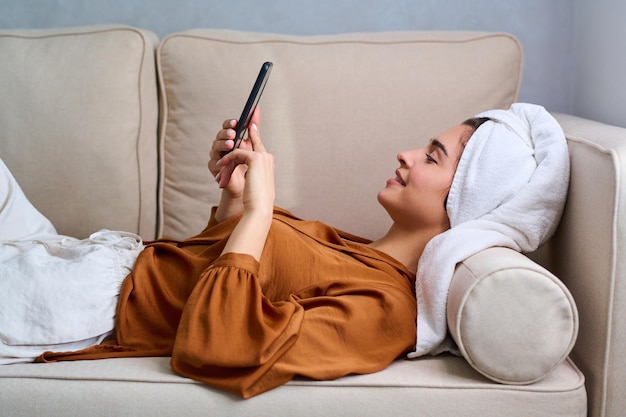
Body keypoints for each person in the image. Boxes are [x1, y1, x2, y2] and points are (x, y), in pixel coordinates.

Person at [1, 102, 570, 399]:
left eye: (432, 156)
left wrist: (257, 215)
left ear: (463, 202)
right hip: (89, 255)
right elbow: (213, 269)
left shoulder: (385, 310)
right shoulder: (354, 247)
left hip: (85, 303)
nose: (405, 154)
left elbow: (221, 344)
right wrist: (237, 199)